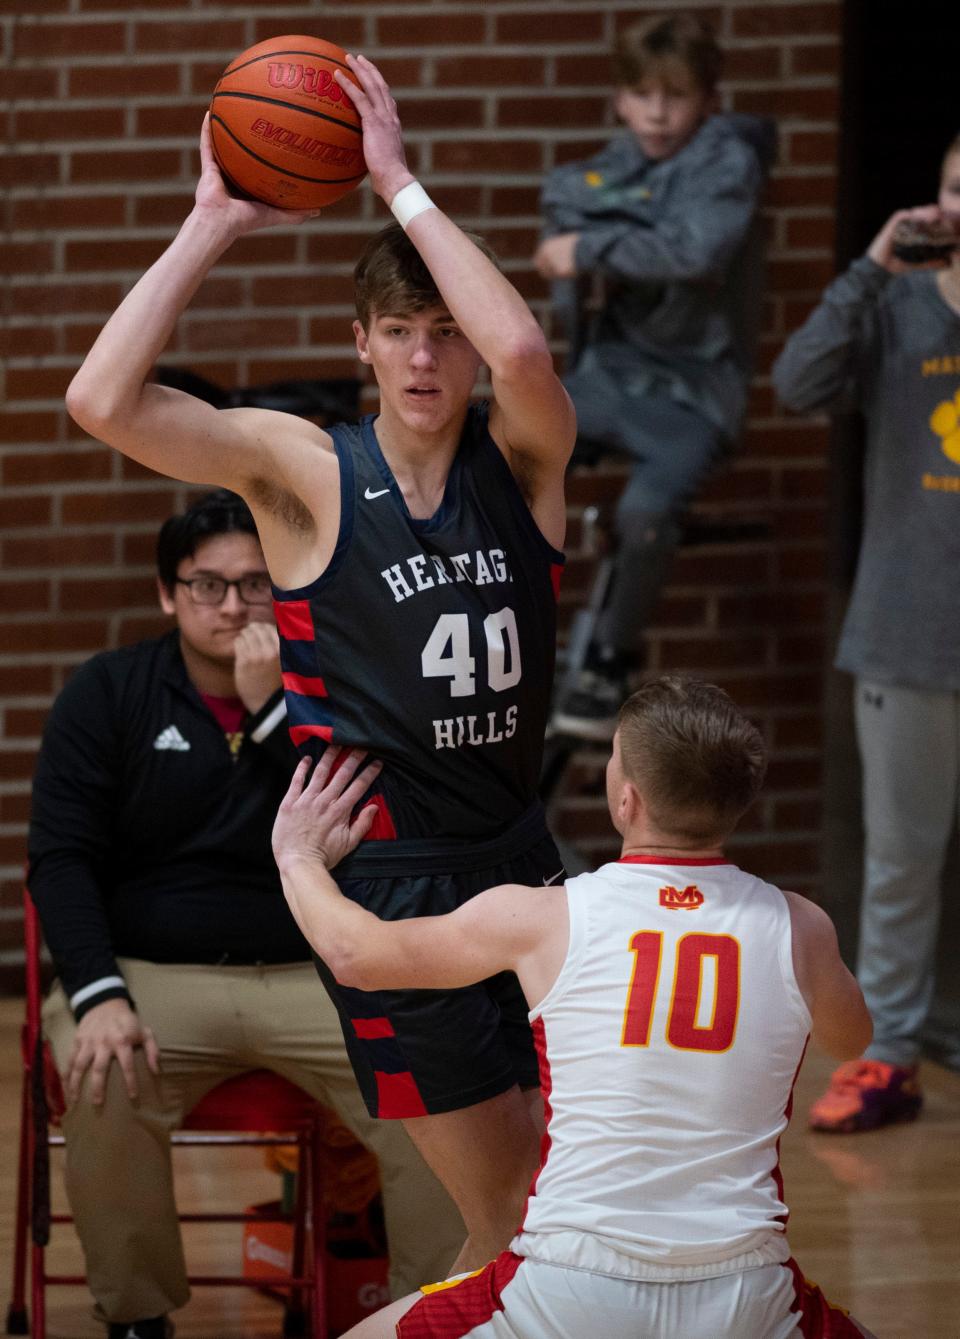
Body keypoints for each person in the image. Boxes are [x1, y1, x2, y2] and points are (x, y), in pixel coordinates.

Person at [65, 53, 576, 1275]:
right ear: (362, 342)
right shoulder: (305, 470)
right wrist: (208, 221)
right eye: (399, 332)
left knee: (545, 1218)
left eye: (441, 334)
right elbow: (100, 398)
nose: (423, 359)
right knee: (518, 1224)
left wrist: (398, 182)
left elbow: (522, 353)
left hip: (526, 866)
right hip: (393, 886)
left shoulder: (529, 461)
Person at [270, 675, 876, 1339]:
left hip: (572, 1284)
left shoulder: (543, 917)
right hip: (744, 1292)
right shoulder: (802, 926)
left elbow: (357, 955)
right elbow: (851, 1040)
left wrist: (297, 857)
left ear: (626, 798)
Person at [29, 491, 463, 1339]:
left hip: (317, 971)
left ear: (284, 591)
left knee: (434, 1068)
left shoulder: (329, 688)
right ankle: (138, 1317)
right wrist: (97, 991)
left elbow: (363, 829)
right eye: (207, 585)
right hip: (153, 976)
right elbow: (60, 859)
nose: (232, 606)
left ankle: (435, 1311)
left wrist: (275, 713)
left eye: (256, 584)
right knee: (102, 1065)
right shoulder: (109, 693)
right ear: (168, 594)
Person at [772, 135, 960, 1133]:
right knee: (901, 859)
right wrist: (875, 263)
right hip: (908, 633)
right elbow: (798, 382)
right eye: (957, 187)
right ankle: (889, 1058)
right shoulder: (896, 306)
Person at [533, 11, 776, 741]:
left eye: (678, 95)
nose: (660, 112)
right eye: (644, 94)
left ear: (709, 100)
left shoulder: (728, 162)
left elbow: (693, 249)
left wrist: (594, 243)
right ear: (620, 99)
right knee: (501, 452)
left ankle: (609, 658)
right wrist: (601, 242)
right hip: (609, 376)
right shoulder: (606, 168)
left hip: (697, 388)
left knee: (644, 512)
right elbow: (563, 217)